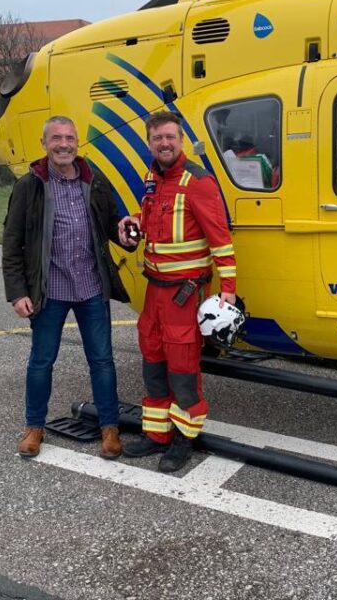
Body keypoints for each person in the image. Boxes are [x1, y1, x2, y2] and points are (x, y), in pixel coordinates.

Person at [2, 115, 131, 461]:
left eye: (70, 138)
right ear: (44, 144)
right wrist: (18, 292)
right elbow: (12, 242)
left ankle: (109, 428)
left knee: (102, 360)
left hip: (90, 286)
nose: (64, 144)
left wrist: (124, 231)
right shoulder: (30, 185)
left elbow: (112, 223)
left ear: (77, 143)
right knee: (41, 361)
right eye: (56, 138)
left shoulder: (93, 179)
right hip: (50, 290)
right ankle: (34, 427)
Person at [118, 111, 237, 473]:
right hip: (155, 291)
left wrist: (228, 290)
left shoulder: (198, 181)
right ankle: (157, 435)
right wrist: (134, 223)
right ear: (149, 142)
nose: (164, 144)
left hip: (184, 294)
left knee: (183, 367)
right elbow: (152, 217)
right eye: (158, 139)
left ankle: (185, 439)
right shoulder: (151, 178)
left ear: (181, 140)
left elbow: (221, 239)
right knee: (152, 359)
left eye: (170, 137)